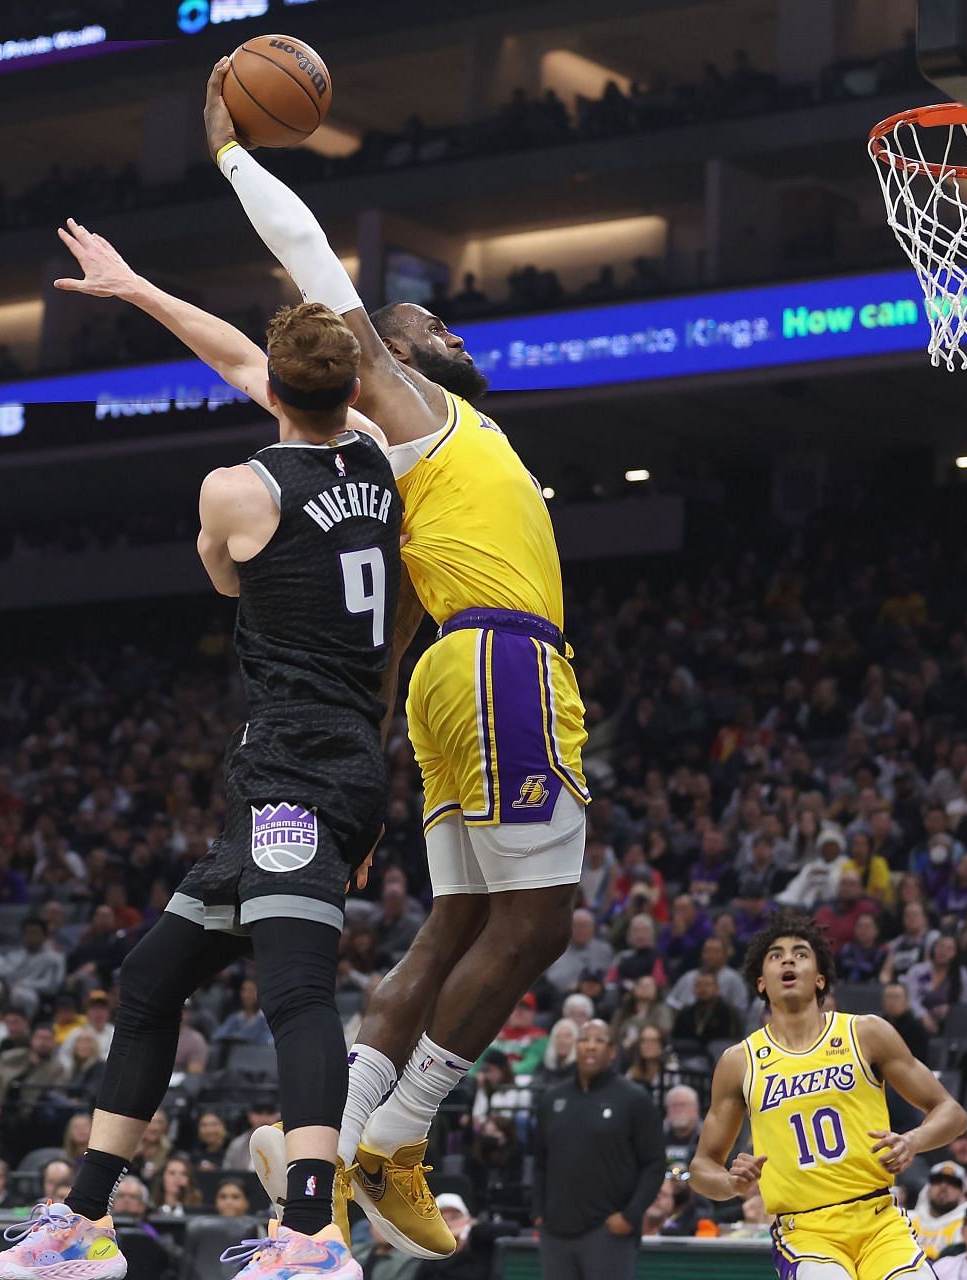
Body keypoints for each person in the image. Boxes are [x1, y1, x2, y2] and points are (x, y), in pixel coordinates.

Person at [200, 60, 598, 1263]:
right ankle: (401, 1135)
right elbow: (310, 256)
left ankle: (331, 1134)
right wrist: (233, 156)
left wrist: (373, 744)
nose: (435, 329)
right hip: (500, 668)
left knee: (455, 924)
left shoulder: (447, 446)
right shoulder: (409, 411)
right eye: (417, 326)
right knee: (538, 928)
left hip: (445, 682)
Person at [0, 300, 402, 1280]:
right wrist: (139, 286)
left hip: (297, 761)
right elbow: (258, 363)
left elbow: (223, 578)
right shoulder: (376, 452)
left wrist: (133, 290)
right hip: (332, 761)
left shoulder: (235, 490)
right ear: (353, 389)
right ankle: (84, 1221)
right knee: (150, 977)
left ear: (276, 393)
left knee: (293, 990)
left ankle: (314, 1232)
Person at [690, 912, 967, 1280]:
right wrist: (729, 1184)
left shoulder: (866, 1033)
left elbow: (952, 1112)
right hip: (805, 1230)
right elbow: (700, 1167)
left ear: (820, 979)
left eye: (801, 954)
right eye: (775, 955)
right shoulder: (739, 1061)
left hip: (879, 1219)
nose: (788, 959)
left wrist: (913, 1141)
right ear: (761, 983)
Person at [529, 1020, 664, 1280]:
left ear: (613, 1051)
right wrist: (538, 1212)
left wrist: (630, 1215)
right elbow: (540, 1162)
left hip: (607, 1231)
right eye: (584, 1040)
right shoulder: (551, 1098)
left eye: (599, 1040)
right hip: (555, 1231)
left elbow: (655, 1163)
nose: (590, 1046)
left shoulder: (634, 1098)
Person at [909, 1162, 967, 1258]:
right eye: (937, 1181)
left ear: (962, 1192)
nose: (943, 1187)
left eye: (952, 1182)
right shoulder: (907, 1218)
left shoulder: (965, 1227)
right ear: (927, 1187)